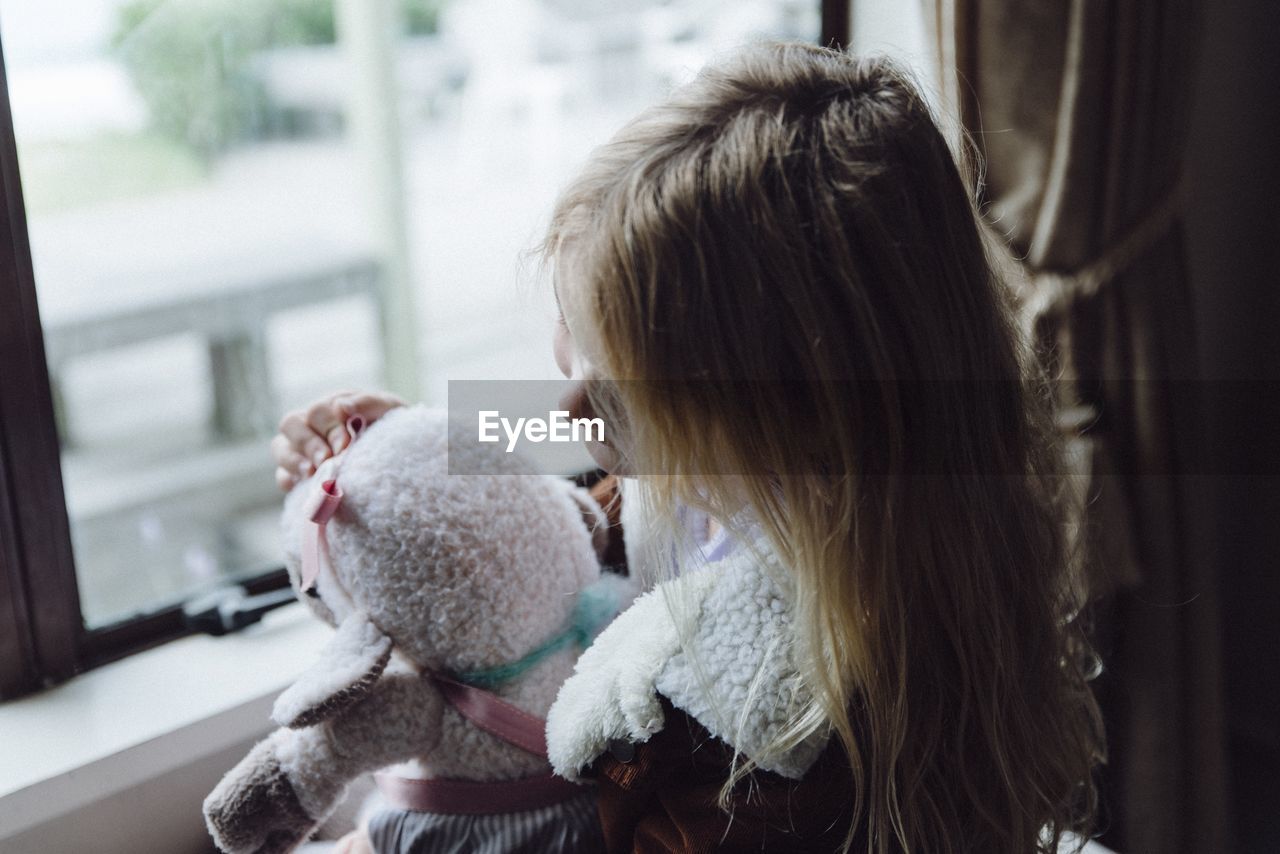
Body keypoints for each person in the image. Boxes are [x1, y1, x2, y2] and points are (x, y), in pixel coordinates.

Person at [273, 41, 1103, 854]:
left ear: (777, 410)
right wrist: (426, 460)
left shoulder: (810, 712)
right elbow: (598, 547)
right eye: (573, 340)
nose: (564, 405)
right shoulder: (752, 482)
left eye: (620, 385)